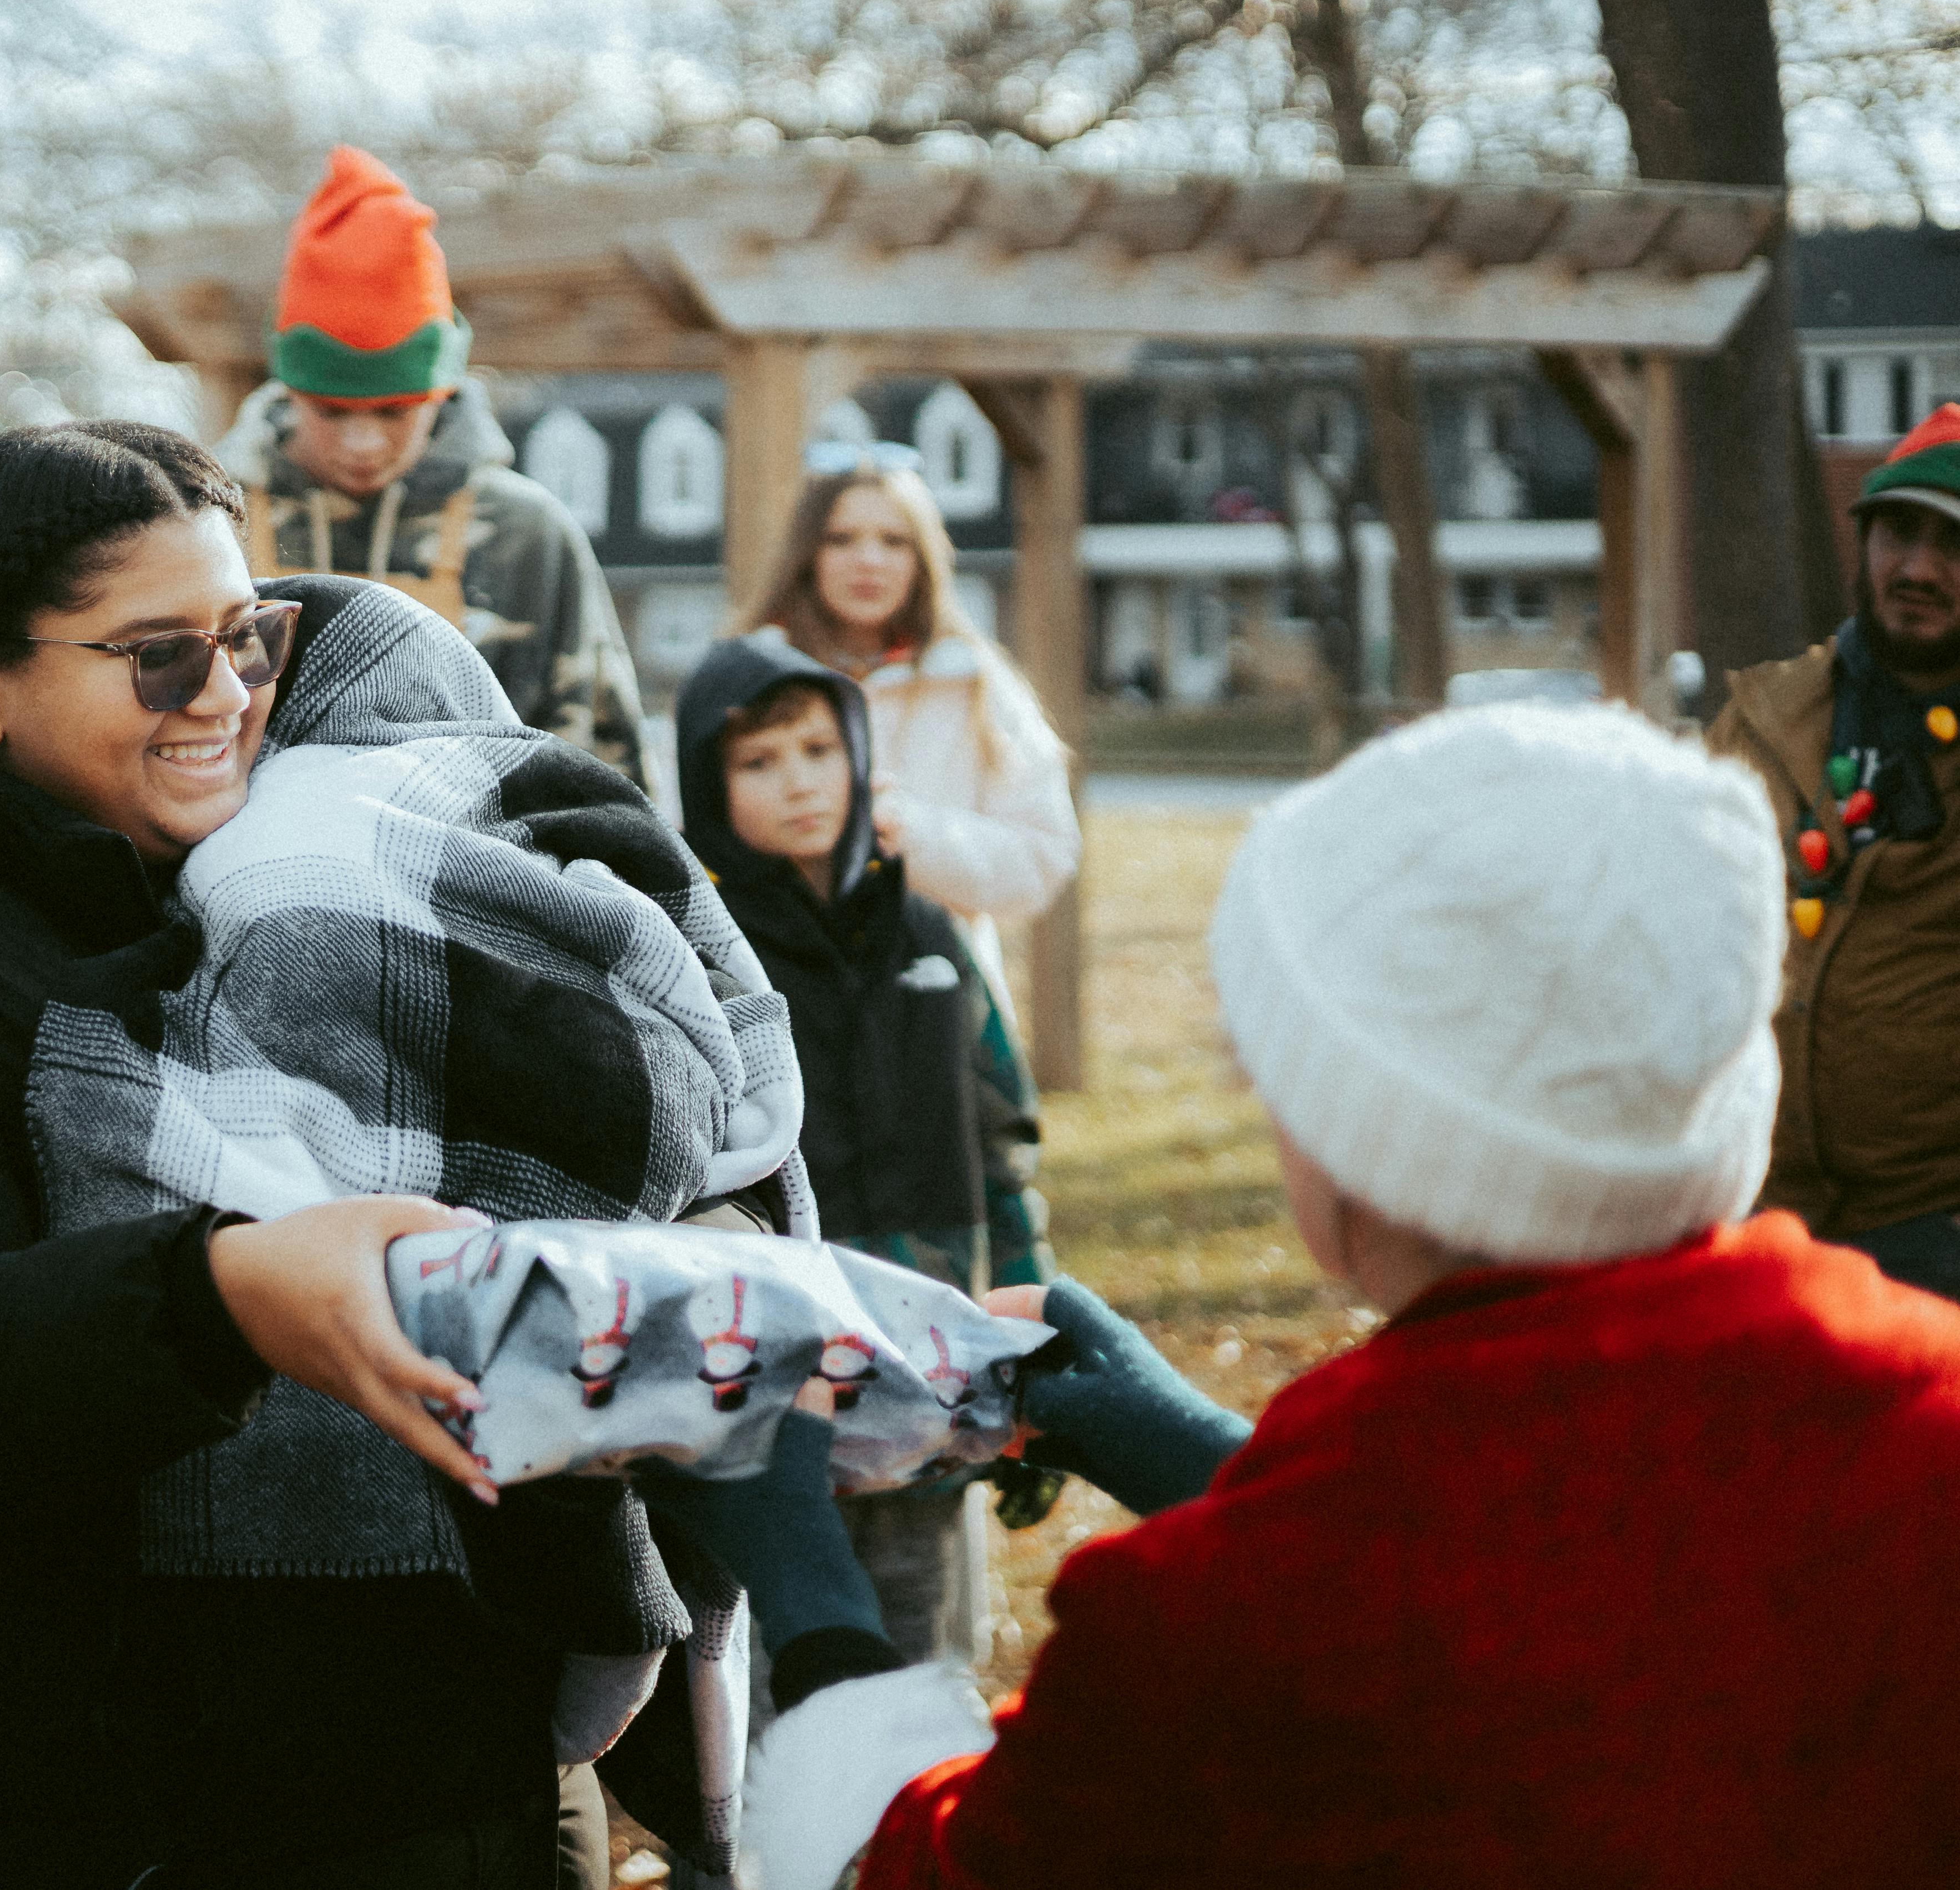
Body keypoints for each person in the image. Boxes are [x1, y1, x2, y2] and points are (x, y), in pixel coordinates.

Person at [718, 702, 1960, 1889]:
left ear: (1366, 1143)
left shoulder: (1210, 1640)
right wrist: (1218, 1462)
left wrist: (811, 1600)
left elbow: (912, 1871)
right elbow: (1551, 1562)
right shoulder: (1919, 1415)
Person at [0, 420, 630, 1887]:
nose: (231, 697)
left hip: (437, 1784)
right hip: (57, 1801)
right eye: (158, 656)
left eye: (247, 639)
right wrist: (221, 1298)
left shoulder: (294, 864)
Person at [673, 633, 1047, 1673]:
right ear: (712, 782)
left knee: (921, 1667)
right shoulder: (701, 962)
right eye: (759, 762)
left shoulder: (929, 937)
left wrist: (1032, 1357)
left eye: (817, 749)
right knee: (785, 1695)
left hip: (926, 1388)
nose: (798, 782)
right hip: (773, 1408)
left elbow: (1005, 1145)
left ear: (857, 755)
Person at [732, 458, 1076, 1285]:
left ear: (925, 557)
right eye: (843, 537)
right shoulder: (747, 678)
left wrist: (906, 831)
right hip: (787, 998)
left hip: (933, 1002)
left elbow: (1040, 859)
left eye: (893, 540)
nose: (867, 560)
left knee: (937, 1228)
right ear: (807, 551)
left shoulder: (976, 683)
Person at [216, 145, 649, 786]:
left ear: (440, 392)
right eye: (332, 412)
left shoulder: (525, 533)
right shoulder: (215, 526)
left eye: (393, 412)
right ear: (290, 390)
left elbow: (605, 763)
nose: (362, 443)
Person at [1710, 402, 1960, 1301]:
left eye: (1952, 544)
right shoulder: (1767, 717)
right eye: (1899, 532)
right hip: (1761, 1216)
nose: (1919, 568)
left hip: (1934, 1230)